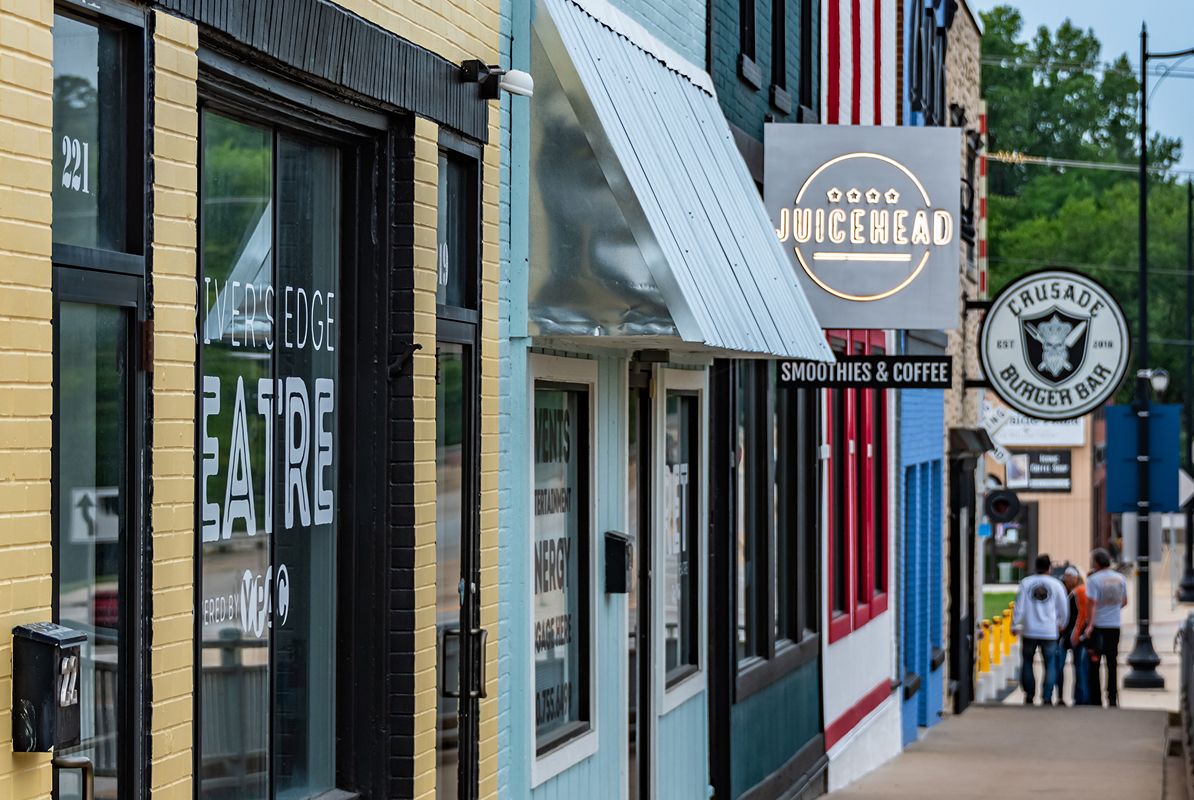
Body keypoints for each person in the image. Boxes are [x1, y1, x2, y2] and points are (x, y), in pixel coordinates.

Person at [1012, 553, 1068, 705]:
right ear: (1049, 568)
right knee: (1050, 664)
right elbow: (1064, 608)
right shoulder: (1056, 585)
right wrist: (1062, 623)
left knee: (1028, 661)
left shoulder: (1026, 583)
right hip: (1049, 631)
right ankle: (1047, 696)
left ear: (1036, 567)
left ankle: (1029, 694)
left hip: (1030, 630)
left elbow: (1019, 607)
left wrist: (1015, 624)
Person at [1084, 547, 1129, 707]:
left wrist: (1090, 624)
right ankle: (1112, 697)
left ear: (1095, 562)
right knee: (1112, 663)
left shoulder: (1093, 580)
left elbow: (1092, 604)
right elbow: (1124, 601)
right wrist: (1113, 609)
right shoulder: (1120, 578)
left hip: (1098, 627)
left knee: (1095, 663)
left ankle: (1096, 699)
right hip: (1114, 625)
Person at [1052, 566, 1090, 705]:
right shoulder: (1067, 592)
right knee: (1062, 667)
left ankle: (1079, 698)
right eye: (1065, 577)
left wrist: (1076, 633)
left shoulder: (1078, 592)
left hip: (1073, 635)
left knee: (1078, 667)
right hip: (1066, 635)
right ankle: (1066, 697)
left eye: (1069, 577)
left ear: (1076, 578)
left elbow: (1081, 615)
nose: (1066, 579)